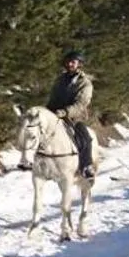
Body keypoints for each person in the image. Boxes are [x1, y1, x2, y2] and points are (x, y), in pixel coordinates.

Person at [47, 49, 96, 177]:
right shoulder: (60, 80)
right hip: (56, 114)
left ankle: (86, 166)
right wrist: (47, 110)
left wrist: (65, 112)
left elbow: (81, 103)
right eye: (68, 62)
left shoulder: (85, 83)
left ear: (79, 64)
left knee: (84, 138)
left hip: (75, 117)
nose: (70, 64)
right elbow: (53, 98)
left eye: (73, 62)